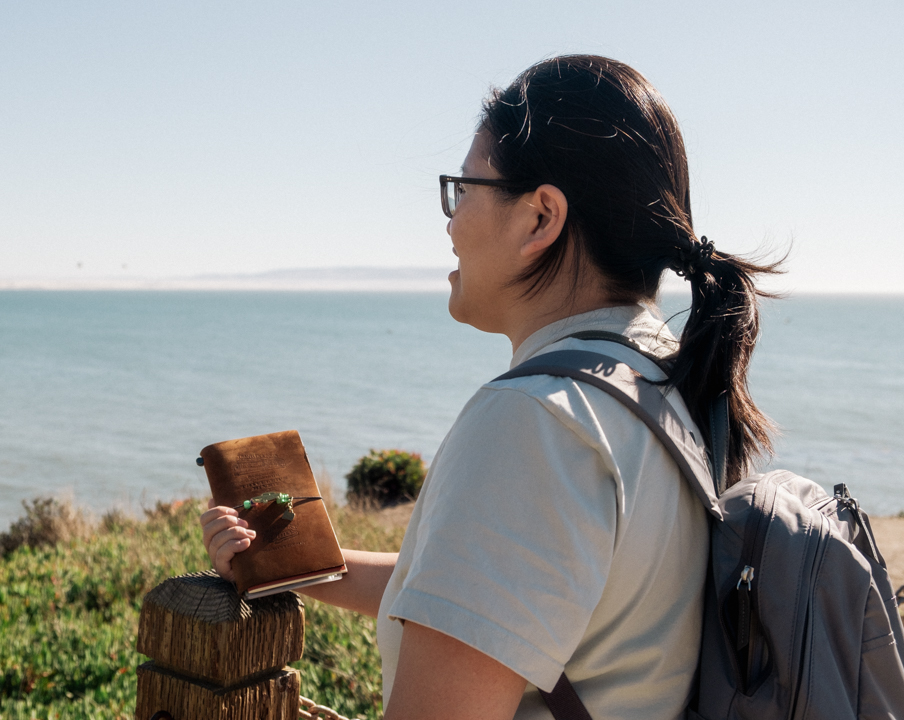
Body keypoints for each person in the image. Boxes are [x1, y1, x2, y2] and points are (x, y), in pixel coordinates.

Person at [201, 54, 780, 720]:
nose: (450, 221)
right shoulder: (660, 383)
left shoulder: (536, 423)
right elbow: (506, 596)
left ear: (540, 218)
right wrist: (294, 562)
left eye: (464, 188)